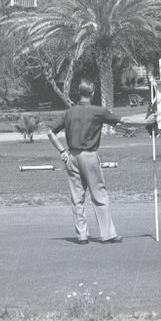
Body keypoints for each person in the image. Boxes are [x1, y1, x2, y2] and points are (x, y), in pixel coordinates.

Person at [46, 78, 123, 244]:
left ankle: (82, 235)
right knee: (99, 195)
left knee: (77, 198)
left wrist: (62, 150)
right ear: (93, 93)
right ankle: (108, 234)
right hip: (89, 156)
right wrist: (146, 122)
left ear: (78, 93)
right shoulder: (98, 111)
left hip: (72, 157)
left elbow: (50, 132)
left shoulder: (69, 112)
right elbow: (123, 121)